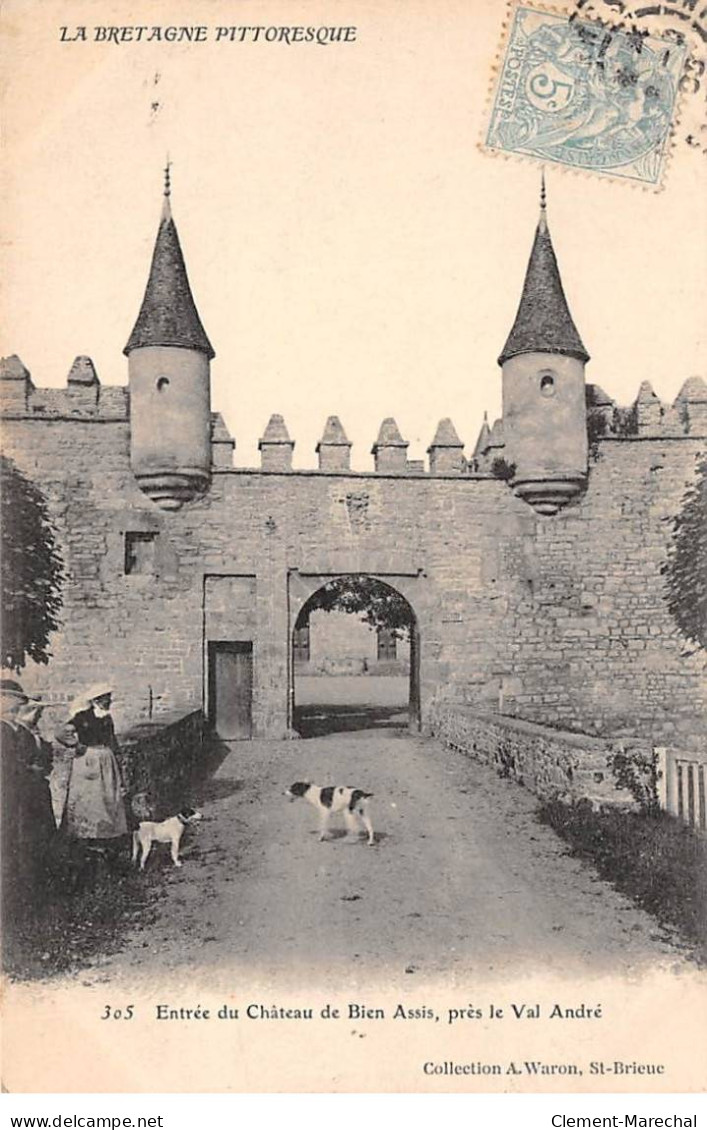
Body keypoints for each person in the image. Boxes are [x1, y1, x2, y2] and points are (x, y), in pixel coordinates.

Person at [0, 678, 57, 915]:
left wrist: (37, 766)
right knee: (11, 843)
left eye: (19, 702)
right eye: (14, 699)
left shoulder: (19, 730)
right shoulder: (3, 729)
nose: (17, 705)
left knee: (31, 840)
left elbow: (42, 755)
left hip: (28, 795)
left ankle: (31, 894)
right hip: (10, 794)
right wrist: (27, 770)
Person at [58, 684, 130, 861]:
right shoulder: (82, 717)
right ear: (97, 699)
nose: (109, 701)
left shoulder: (107, 717)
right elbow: (61, 732)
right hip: (87, 759)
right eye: (106, 698)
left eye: (109, 698)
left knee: (107, 795)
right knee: (88, 796)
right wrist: (76, 745)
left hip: (106, 758)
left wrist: (118, 758)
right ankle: (86, 835)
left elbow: (112, 740)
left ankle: (106, 835)